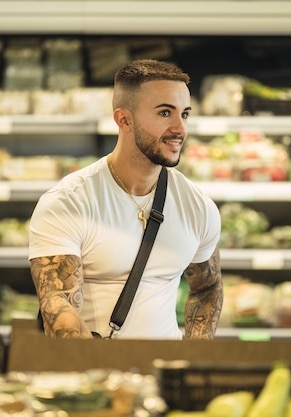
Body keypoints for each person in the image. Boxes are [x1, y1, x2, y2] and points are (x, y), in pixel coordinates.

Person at [28, 59, 222, 340]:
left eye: (185, 114)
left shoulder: (197, 206)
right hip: (92, 372)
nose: (180, 128)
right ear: (124, 120)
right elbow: (58, 304)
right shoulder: (69, 202)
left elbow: (208, 287)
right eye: (165, 113)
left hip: (164, 375)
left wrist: (192, 357)